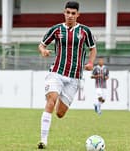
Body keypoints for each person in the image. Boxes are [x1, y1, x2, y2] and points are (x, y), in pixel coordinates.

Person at [37, 1, 97, 149]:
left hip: (74, 77)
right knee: (51, 100)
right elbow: (42, 44)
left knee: (60, 113)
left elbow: (93, 48)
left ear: (78, 14)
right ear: (64, 12)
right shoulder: (56, 29)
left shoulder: (85, 31)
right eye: (67, 12)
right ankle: (43, 140)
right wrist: (43, 51)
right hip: (56, 72)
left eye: (73, 13)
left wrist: (90, 63)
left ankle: (57, 99)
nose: (70, 15)